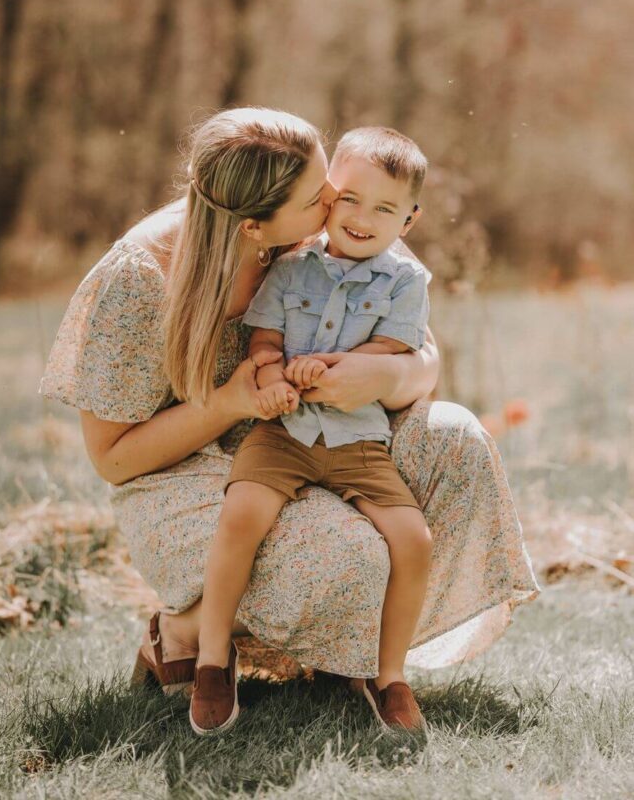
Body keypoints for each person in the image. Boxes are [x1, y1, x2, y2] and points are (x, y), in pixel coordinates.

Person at [39, 106, 538, 727]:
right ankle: (188, 633)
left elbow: (420, 352)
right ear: (253, 227)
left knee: (457, 440)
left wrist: (383, 376)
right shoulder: (141, 278)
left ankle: (353, 657)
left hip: (324, 430)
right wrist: (229, 403)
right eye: (319, 198)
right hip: (183, 471)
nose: (337, 203)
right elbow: (113, 460)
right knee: (349, 553)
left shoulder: (332, 218)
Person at [193, 126, 433, 735]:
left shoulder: (407, 282)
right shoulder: (290, 268)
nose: (361, 217)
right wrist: (272, 376)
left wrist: (326, 366)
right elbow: (265, 339)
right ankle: (212, 659)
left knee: (414, 540)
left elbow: (391, 346)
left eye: (385, 208)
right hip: (285, 433)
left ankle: (391, 676)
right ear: (327, 197)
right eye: (349, 198)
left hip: (358, 440)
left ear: (409, 220)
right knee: (242, 511)